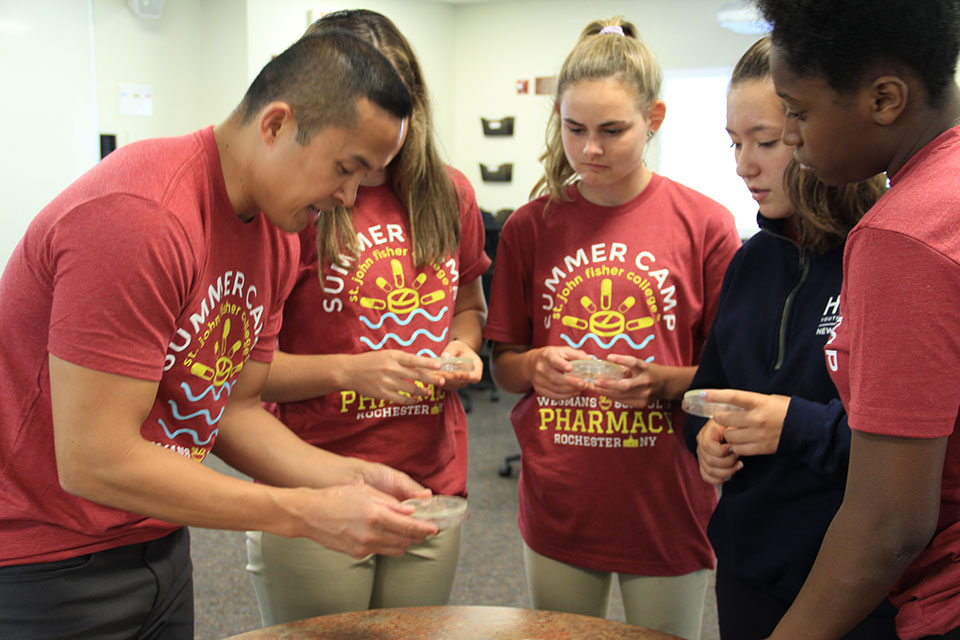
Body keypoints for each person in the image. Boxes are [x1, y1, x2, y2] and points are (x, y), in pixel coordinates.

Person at [0, 31, 442, 638]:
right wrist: (303, 512)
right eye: (346, 169)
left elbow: (233, 407)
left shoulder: (277, 231)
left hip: (156, 536)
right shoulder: (142, 215)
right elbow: (95, 460)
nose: (347, 198)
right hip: (45, 558)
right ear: (276, 125)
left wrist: (347, 479)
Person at [483, 16, 741, 640]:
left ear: (654, 117)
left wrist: (661, 383)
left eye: (612, 131)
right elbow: (505, 365)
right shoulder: (530, 226)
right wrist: (536, 366)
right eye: (574, 130)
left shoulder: (705, 224)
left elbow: (731, 375)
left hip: (667, 498)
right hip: (563, 496)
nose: (590, 150)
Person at [243, 10, 490, 626]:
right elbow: (247, 379)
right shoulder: (298, 199)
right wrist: (353, 372)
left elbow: (467, 306)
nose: (359, 179)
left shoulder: (449, 193)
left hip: (431, 480)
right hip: (316, 483)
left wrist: (465, 349)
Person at [749, 1, 960, 639]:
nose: (789, 135)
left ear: (885, 99)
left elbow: (890, 523)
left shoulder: (906, 233)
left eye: (799, 111)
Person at [681, 36, 893, 640]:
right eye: (734, 143)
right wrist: (706, 438)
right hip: (748, 566)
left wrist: (792, 423)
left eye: (766, 142)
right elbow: (704, 394)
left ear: (814, 128)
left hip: (852, 581)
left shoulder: (881, 254)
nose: (744, 164)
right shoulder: (749, 263)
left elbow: (915, 452)